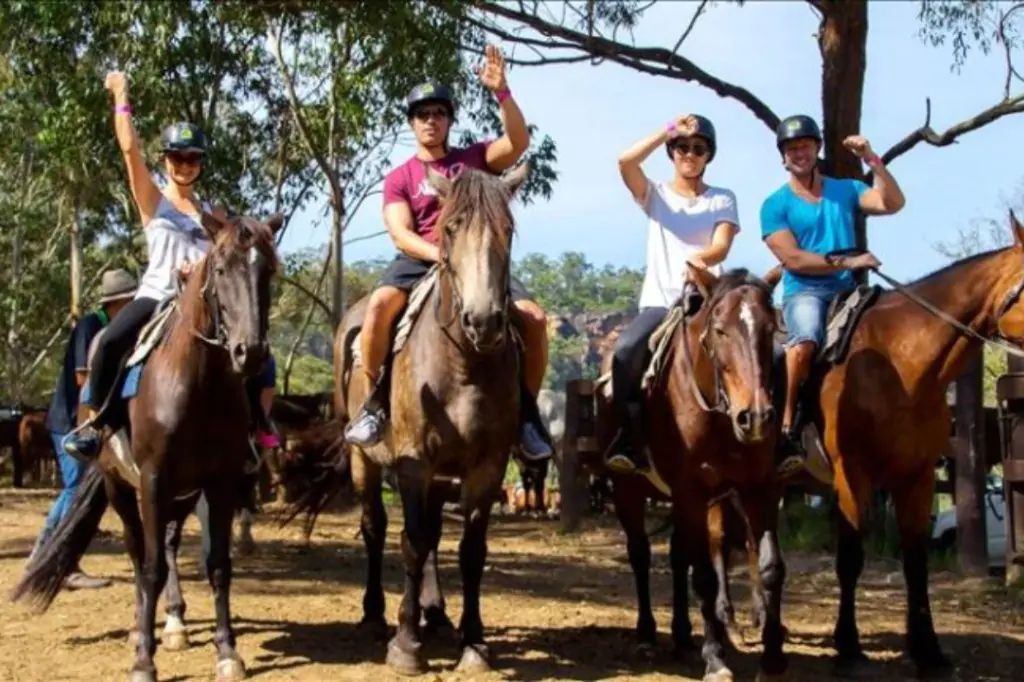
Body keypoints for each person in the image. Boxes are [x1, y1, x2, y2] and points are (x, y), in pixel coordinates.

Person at [342, 45, 553, 463]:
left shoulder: (474, 159)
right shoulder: (400, 178)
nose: (431, 121)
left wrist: (503, 93)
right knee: (380, 305)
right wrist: (442, 255)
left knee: (535, 319)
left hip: (481, 261)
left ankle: (526, 414)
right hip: (423, 257)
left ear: (450, 121)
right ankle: (374, 404)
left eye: (439, 113)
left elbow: (519, 141)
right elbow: (400, 233)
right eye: (422, 114)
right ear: (412, 123)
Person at [63, 70, 223, 459]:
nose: (184, 164)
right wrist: (121, 94)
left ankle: (253, 433)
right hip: (157, 296)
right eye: (177, 157)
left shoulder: (214, 212)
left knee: (254, 354)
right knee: (110, 342)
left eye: (192, 158)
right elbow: (129, 148)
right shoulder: (153, 200)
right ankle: (93, 424)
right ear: (167, 160)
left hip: (203, 304)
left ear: (200, 163)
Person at [760, 114, 905, 484]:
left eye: (805, 146)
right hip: (805, 291)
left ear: (817, 149)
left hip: (851, 290)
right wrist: (849, 259)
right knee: (805, 340)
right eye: (792, 149)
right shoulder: (774, 205)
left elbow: (893, 203)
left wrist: (872, 159)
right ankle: (788, 429)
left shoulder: (847, 190)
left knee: (897, 335)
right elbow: (792, 259)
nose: (799, 153)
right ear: (783, 157)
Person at [604, 114, 741, 475]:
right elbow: (625, 162)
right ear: (672, 152)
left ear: (708, 155)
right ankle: (629, 438)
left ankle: (765, 437)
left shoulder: (722, 199)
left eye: (698, 148)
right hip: (660, 303)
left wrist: (702, 258)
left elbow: (722, 246)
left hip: (706, 301)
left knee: (758, 349)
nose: (690, 154)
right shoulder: (656, 195)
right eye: (682, 147)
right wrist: (667, 129)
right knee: (625, 351)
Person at [27, 269, 139, 588]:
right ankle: (45, 556)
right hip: (72, 421)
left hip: (89, 418)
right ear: (122, 301)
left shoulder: (113, 327)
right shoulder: (91, 326)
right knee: (75, 490)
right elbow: (83, 378)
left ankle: (58, 557)